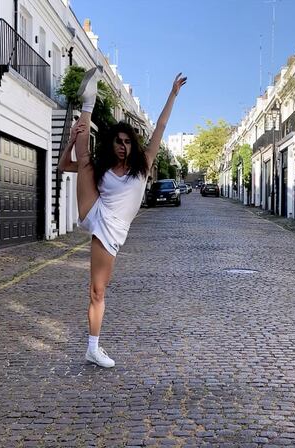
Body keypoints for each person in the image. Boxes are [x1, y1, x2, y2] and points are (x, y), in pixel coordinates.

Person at [58, 67, 187, 368]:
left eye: (127, 142)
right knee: (85, 160)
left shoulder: (142, 168)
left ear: (132, 145)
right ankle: (88, 104)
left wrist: (173, 94)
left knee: (98, 290)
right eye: (118, 141)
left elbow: (161, 127)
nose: (122, 146)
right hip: (95, 212)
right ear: (113, 143)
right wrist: (72, 140)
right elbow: (66, 166)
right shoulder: (102, 166)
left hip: (114, 229)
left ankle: (93, 347)